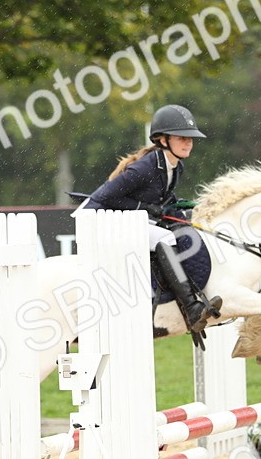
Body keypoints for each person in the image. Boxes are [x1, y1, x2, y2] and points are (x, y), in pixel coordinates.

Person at [83, 104, 222, 333]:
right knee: (165, 238)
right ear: (163, 140)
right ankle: (191, 308)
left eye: (190, 138)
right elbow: (104, 196)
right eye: (182, 138)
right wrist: (144, 207)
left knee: (174, 231)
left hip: (126, 219)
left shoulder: (175, 166)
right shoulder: (144, 168)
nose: (188, 143)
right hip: (99, 219)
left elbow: (164, 198)